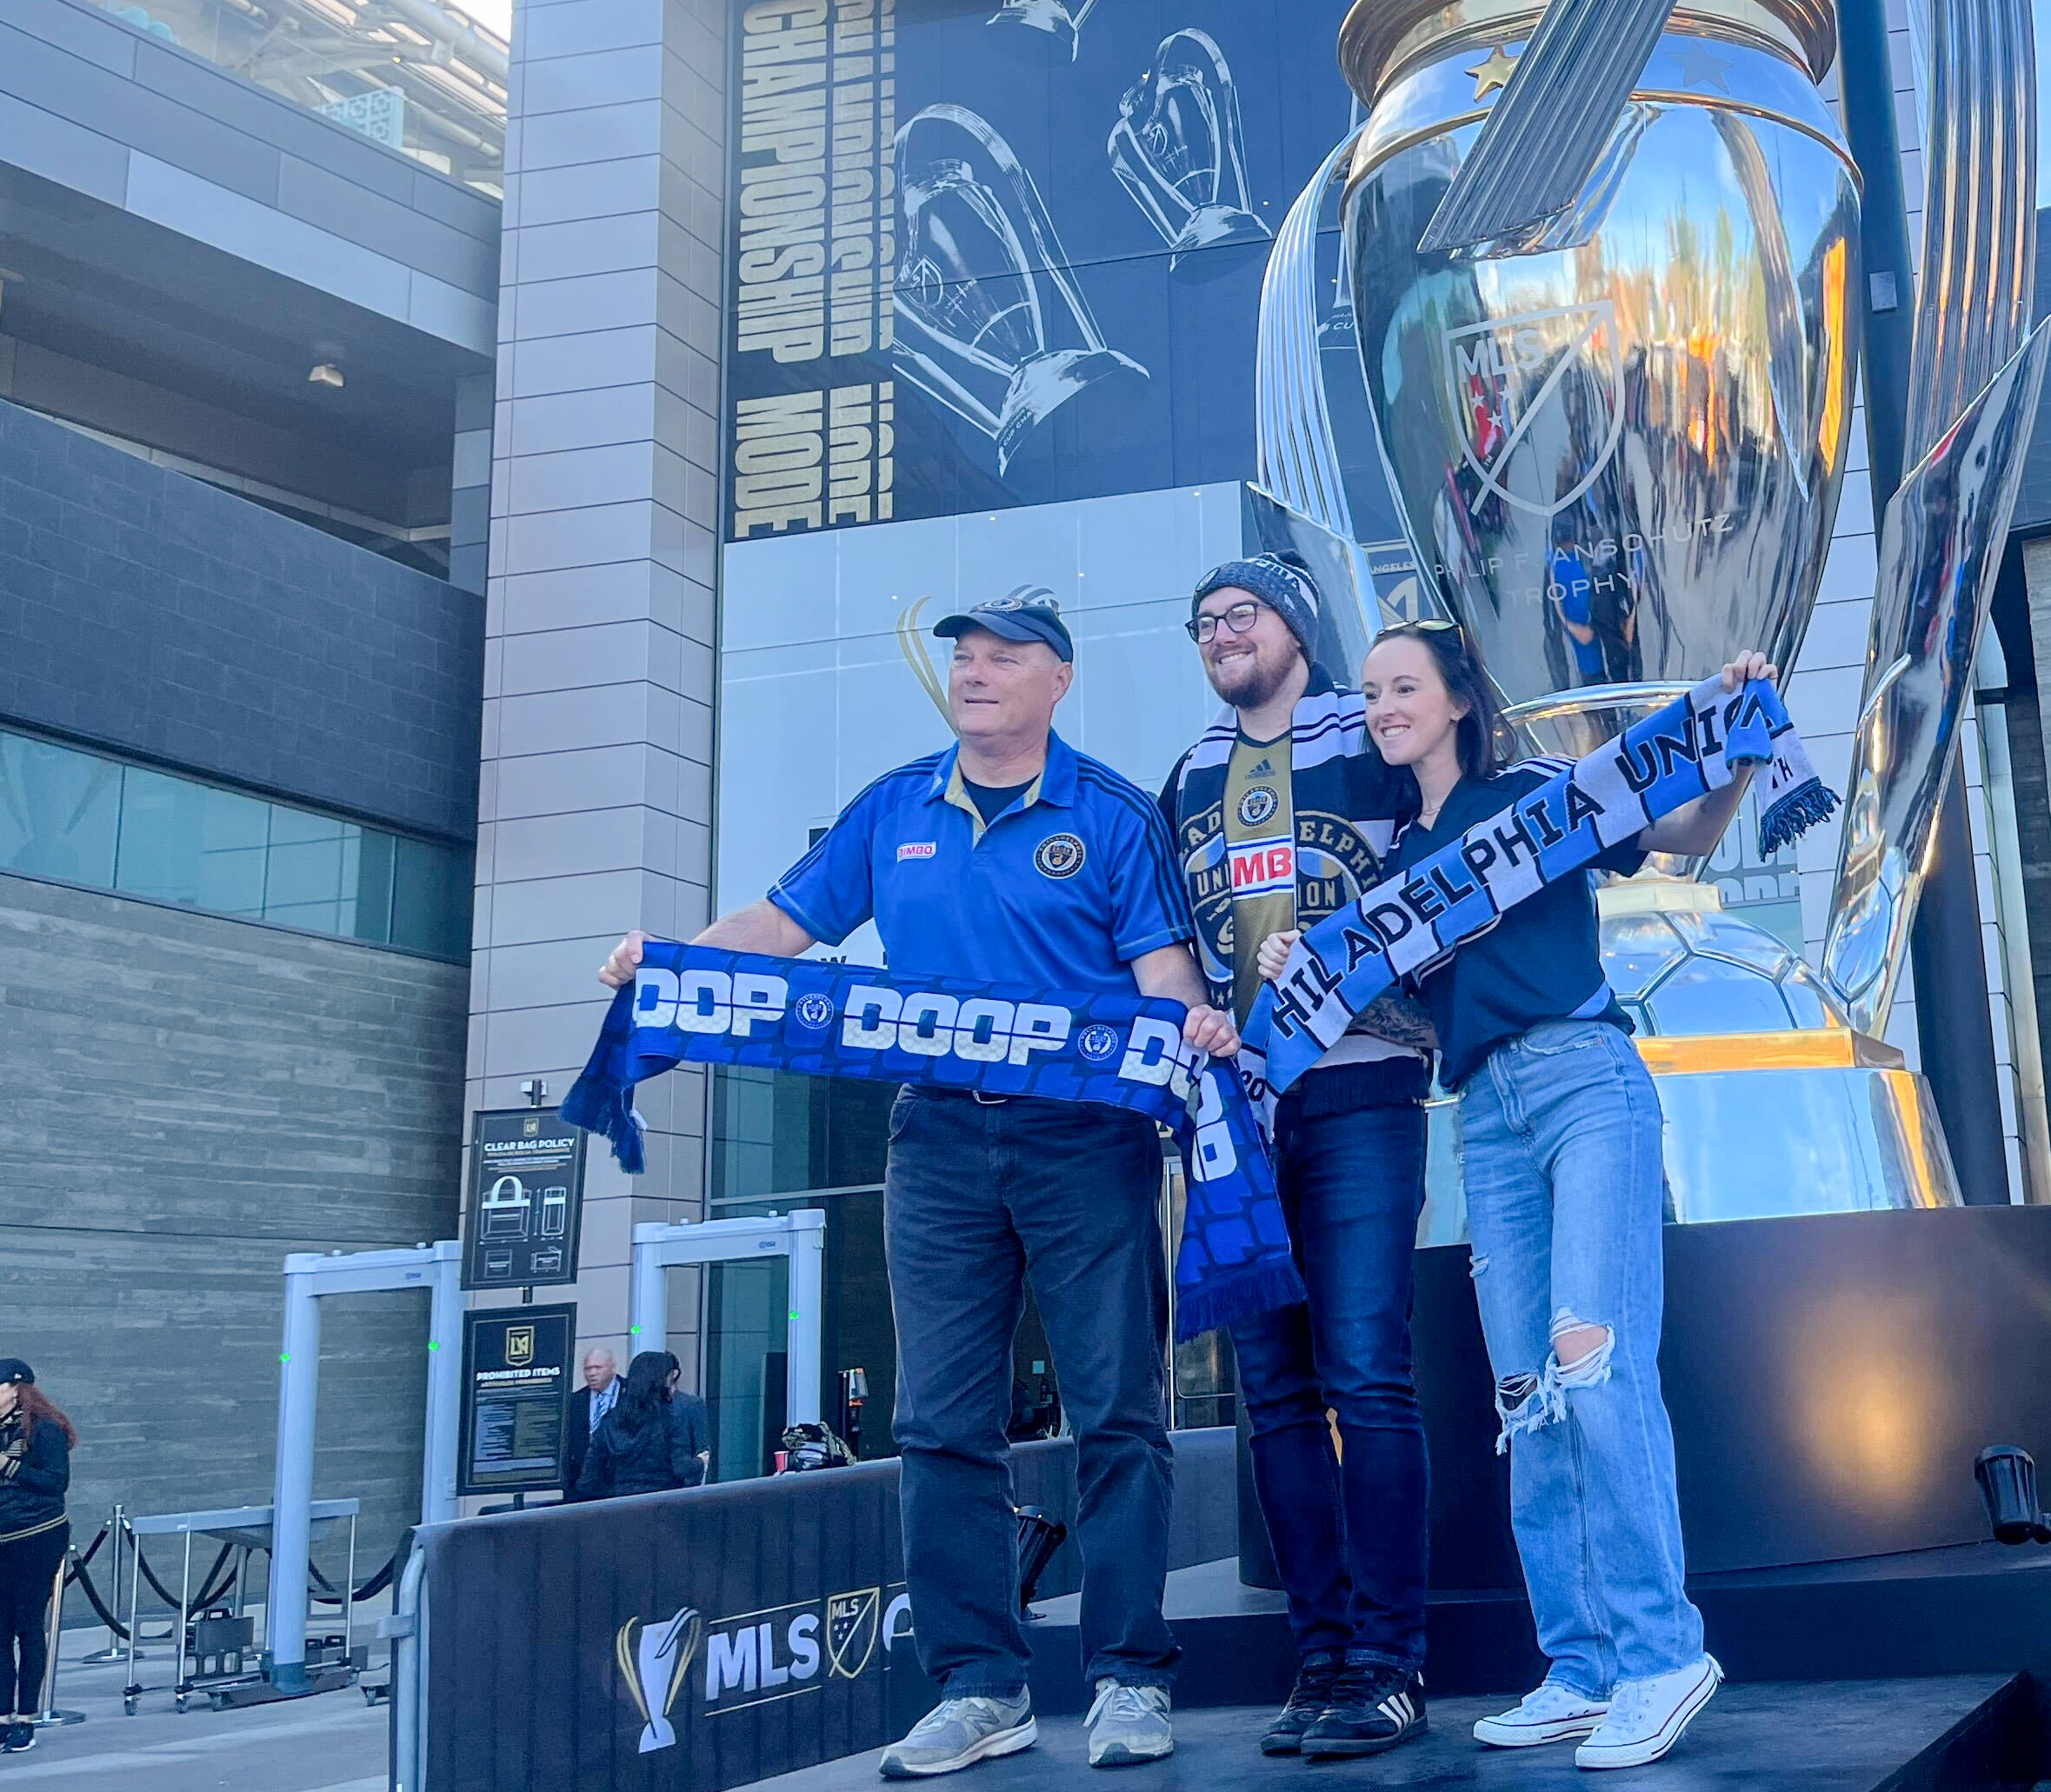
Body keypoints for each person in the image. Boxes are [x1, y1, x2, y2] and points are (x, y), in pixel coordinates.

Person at [597, 590, 1235, 1778]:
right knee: (940, 1418)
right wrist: (666, 963)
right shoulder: (893, 808)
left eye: (1004, 656)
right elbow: (782, 927)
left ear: (1059, 679)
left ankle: (1129, 1675)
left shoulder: (1109, 815)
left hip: (1084, 1139)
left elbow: (1162, 971)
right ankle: (977, 1681)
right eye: (964, 656)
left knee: (1119, 1408)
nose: (976, 672)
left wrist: (1190, 1024)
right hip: (936, 1142)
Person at [1262, 625, 1770, 1771]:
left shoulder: (1533, 791)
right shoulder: (1395, 869)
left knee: (1593, 1357)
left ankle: (1662, 1651)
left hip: (1584, 1074)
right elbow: (1382, 1005)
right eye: (1374, 690)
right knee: (1528, 1391)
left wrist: (1733, 743)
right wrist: (1315, 960)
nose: (1383, 704)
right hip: (1484, 1110)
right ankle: (1582, 1663)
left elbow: (1682, 830)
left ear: (1454, 698)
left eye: (1403, 685)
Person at [1156, 557, 1433, 1758]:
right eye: (1204, 618)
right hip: (1239, 1109)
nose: (1220, 633)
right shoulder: (1186, 773)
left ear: (1298, 630)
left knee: (1366, 1369)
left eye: (1242, 614)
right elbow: (1171, 946)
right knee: (1274, 1393)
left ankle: (1391, 1657)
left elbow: (1449, 867)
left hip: (1366, 1081)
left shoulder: (1369, 737)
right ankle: (1320, 1656)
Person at [0, 1359, 74, 1755]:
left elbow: (55, 1483)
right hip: (2, 1538)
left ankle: (26, 1718)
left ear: (16, 1389)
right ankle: (2, 1716)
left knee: (27, 1624)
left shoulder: (44, 1429)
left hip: (36, 1536)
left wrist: (7, 1466)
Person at [572, 1352, 708, 1498]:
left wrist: (615, 1493)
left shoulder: (610, 1420)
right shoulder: (669, 1417)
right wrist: (700, 1462)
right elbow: (681, 1467)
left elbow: (587, 1481)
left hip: (621, 1507)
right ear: (660, 1381)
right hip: (663, 1505)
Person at [561, 1344, 622, 1496]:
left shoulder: (629, 1395)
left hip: (620, 1481)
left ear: (612, 1367)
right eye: (587, 1369)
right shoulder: (575, 1401)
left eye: (597, 1368)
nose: (592, 1373)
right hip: (582, 1486)